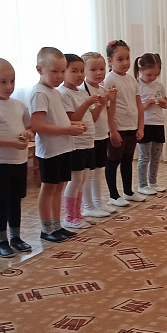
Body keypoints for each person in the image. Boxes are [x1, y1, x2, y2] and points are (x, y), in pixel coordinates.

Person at [30, 47, 86, 243]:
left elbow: (57, 119)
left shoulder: (54, 92)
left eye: (62, 71)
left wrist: (73, 125)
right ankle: (47, 228)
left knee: (59, 187)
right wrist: (67, 129)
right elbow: (37, 125)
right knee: (49, 188)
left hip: (63, 147)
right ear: (39, 69)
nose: (60, 76)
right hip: (50, 151)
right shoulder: (39, 93)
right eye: (55, 71)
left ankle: (56, 225)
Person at [0, 58, 34, 257]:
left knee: (16, 201)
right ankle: (1, 241)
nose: (9, 86)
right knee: (2, 202)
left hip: (19, 160)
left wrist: (28, 134)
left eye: (12, 81)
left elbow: (29, 128)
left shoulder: (18, 104)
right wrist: (11, 143)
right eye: (3, 82)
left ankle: (16, 237)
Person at [59, 53, 104, 229]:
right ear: (63, 72)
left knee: (82, 180)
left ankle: (78, 214)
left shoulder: (81, 92)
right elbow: (73, 118)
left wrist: (100, 104)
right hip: (75, 144)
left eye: (81, 71)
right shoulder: (64, 93)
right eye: (74, 71)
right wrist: (87, 103)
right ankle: (70, 217)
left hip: (87, 142)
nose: (79, 75)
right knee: (75, 180)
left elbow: (92, 118)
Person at [103, 40, 147, 206]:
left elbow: (139, 105)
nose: (125, 62)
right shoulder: (109, 80)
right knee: (113, 160)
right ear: (110, 61)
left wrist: (140, 127)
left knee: (128, 159)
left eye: (127, 58)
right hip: (118, 127)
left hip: (131, 126)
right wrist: (113, 130)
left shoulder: (132, 80)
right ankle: (113, 195)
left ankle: (128, 192)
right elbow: (108, 108)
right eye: (120, 59)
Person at [81, 51, 117, 218]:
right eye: (93, 69)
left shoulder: (102, 89)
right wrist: (103, 102)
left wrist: (111, 99)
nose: (99, 73)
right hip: (90, 138)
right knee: (88, 174)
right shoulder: (83, 92)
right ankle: (87, 206)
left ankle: (98, 203)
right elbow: (91, 117)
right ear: (84, 71)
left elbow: (110, 114)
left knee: (98, 172)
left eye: (102, 69)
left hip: (102, 135)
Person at [135, 53, 167, 195]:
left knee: (156, 156)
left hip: (158, 123)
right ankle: (142, 185)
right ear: (140, 70)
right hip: (144, 124)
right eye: (149, 75)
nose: (153, 77)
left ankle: (153, 182)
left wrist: (163, 102)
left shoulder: (159, 85)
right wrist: (146, 105)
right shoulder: (136, 85)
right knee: (145, 156)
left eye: (156, 74)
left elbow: (166, 104)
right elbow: (135, 109)